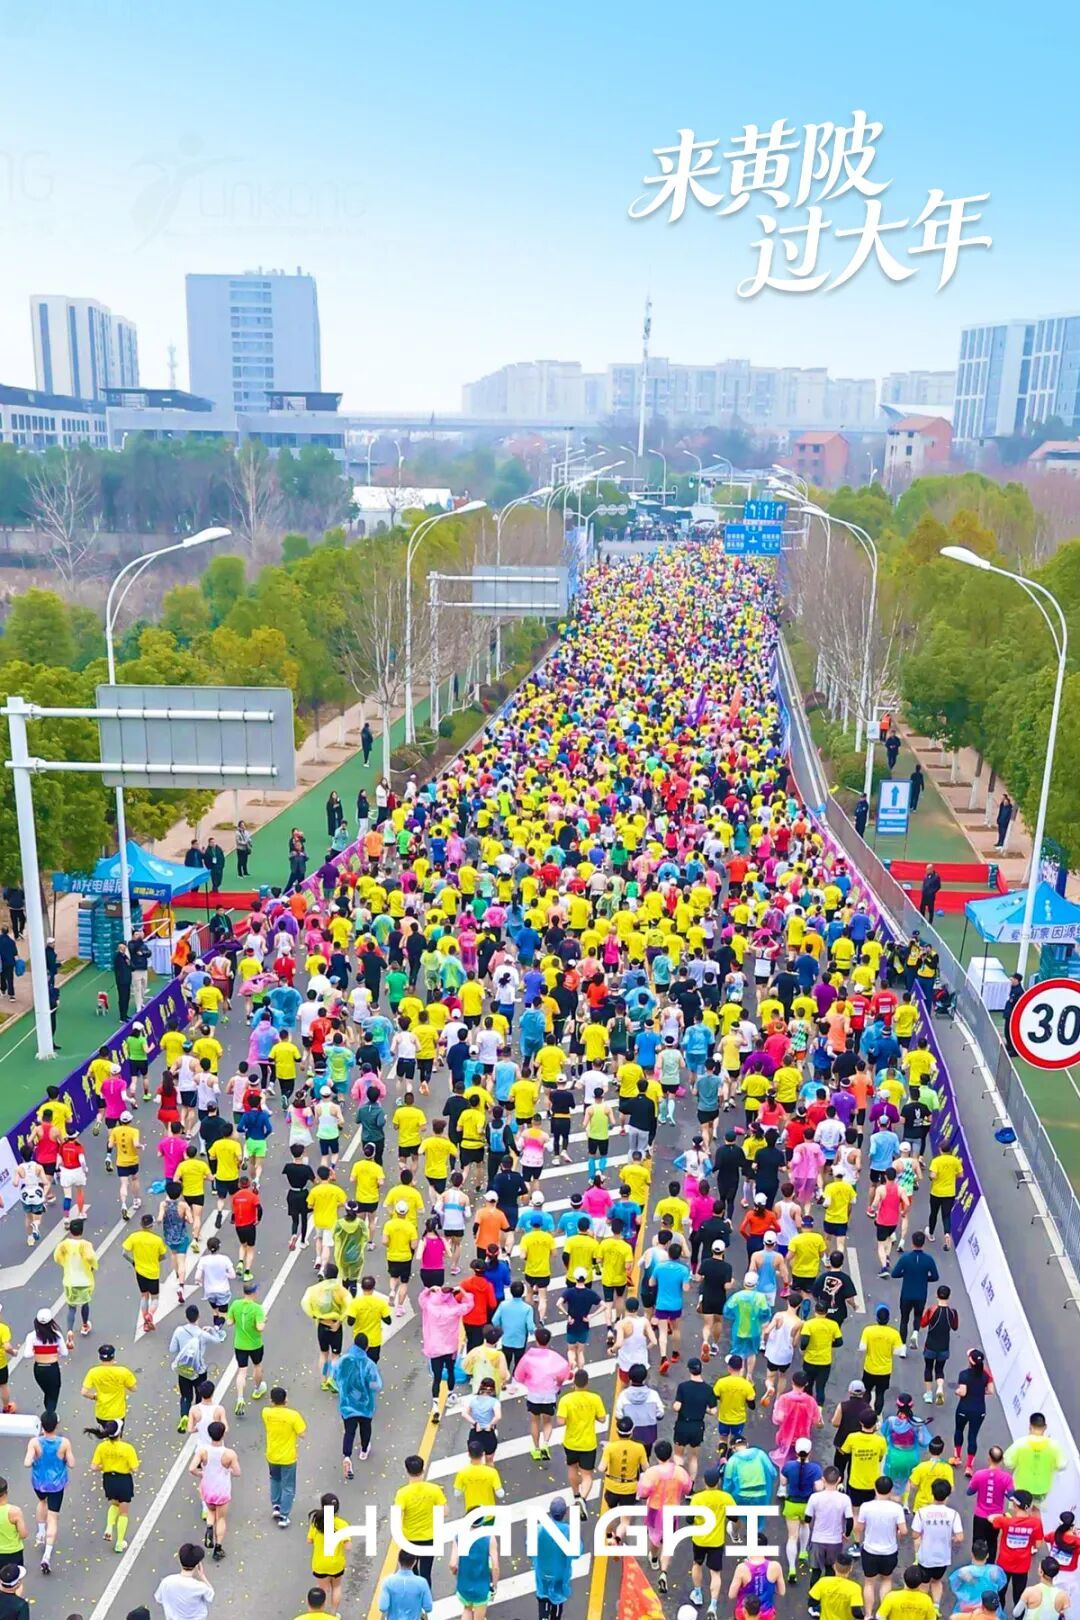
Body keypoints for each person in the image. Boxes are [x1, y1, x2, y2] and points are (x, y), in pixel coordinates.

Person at [24, 1410, 72, 1575]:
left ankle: (40, 1531)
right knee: (53, 1516)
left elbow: (27, 1462)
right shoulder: (64, 1443)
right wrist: (64, 1459)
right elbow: (72, 1463)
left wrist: (33, 1459)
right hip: (56, 1484)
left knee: (41, 1502)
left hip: (39, 1482)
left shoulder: (35, 1442)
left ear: (42, 1426)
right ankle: (47, 1555)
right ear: (56, 1425)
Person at [189, 1421, 240, 1561]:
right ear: (223, 1434)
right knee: (221, 1518)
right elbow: (237, 1472)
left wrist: (201, 1474)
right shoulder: (229, 1454)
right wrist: (228, 1470)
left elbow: (192, 1468)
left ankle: (209, 1527)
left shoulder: (202, 1451)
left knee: (211, 1511)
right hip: (222, 1490)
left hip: (208, 1487)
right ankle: (218, 1548)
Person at [87, 1419, 139, 1554]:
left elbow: (93, 1467)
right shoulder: (128, 1448)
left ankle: (109, 1526)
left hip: (109, 1479)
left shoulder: (102, 1447)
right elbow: (135, 1469)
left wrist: (105, 1466)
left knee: (114, 1503)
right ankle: (119, 1542)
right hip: (123, 1480)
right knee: (124, 1511)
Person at [262, 1386, 306, 1529]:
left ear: (271, 1400)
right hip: (288, 1457)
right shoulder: (293, 1416)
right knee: (288, 1487)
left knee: (275, 1479)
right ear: (286, 1400)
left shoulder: (266, 1412)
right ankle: (284, 1515)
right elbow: (302, 1434)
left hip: (272, 1455)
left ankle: (276, 1505)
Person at [531, 1497, 576, 1620]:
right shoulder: (569, 1531)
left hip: (542, 1575)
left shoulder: (539, 1529)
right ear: (564, 1513)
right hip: (560, 1577)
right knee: (557, 1607)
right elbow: (577, 1552)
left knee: (543, 1600)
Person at [153, 1543, 215, 1620]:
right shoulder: (199, 1587)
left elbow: (159, 1599)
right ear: (198, 1564)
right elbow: (210, 1595)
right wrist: (202, 1576)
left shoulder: (166, 1581)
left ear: (180, 1560)